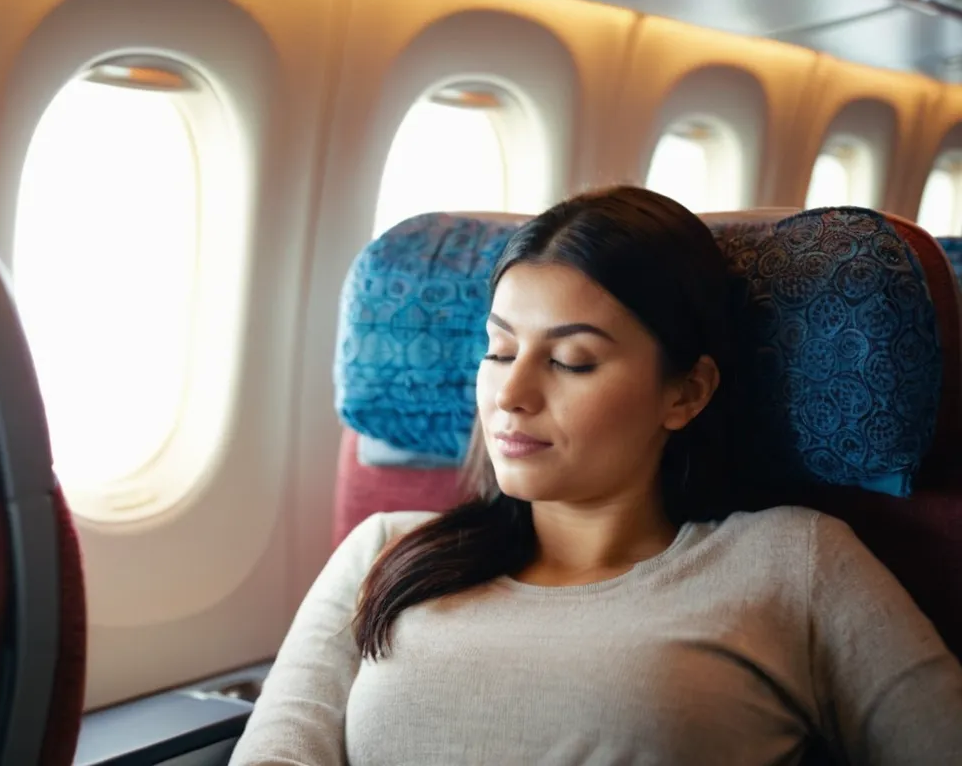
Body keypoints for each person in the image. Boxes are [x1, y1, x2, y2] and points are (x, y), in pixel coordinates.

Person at [229, 186, 962, 765]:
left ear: (686, 393)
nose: (510, 395)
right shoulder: (385, 551)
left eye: (571, 360)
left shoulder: (796, 562)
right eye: (498, 350)